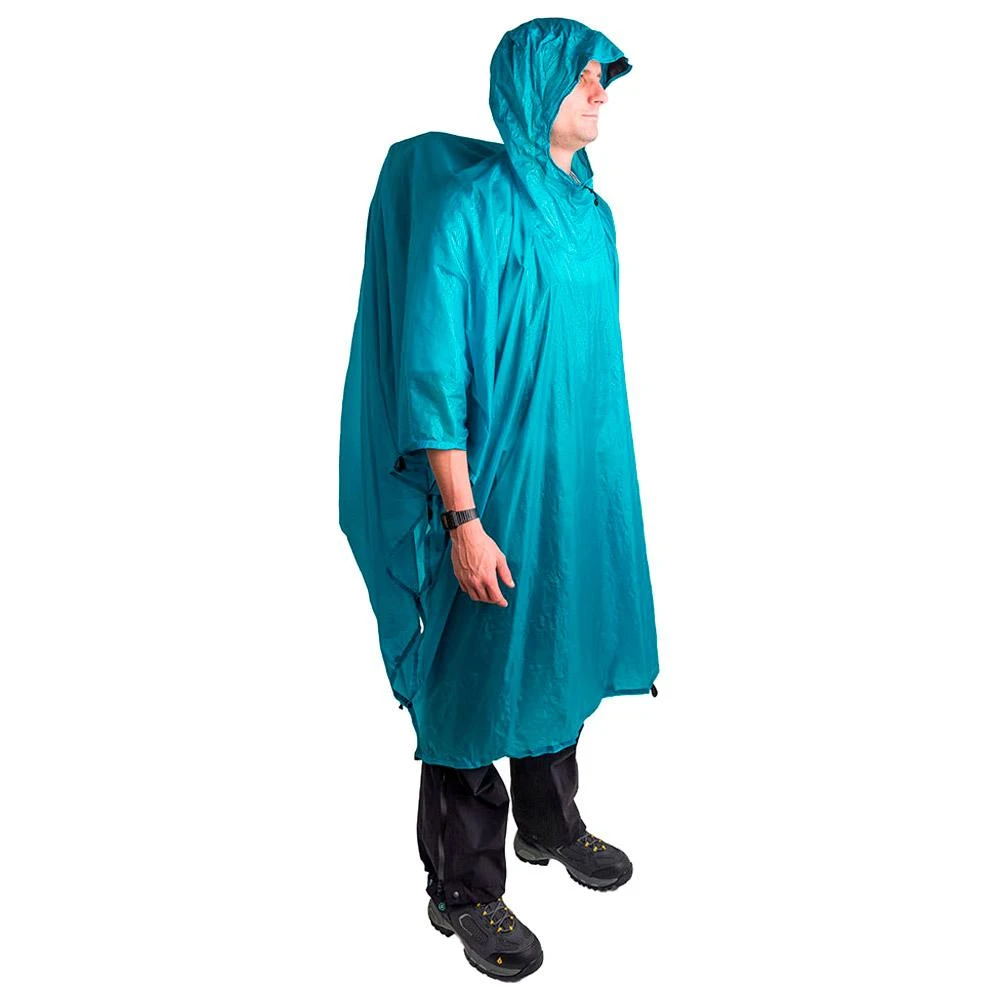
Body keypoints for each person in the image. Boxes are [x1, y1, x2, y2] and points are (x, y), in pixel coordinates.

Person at [339, 17, 660, 980]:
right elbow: (432, 378)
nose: (600, 92)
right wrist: (463, 520)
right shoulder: (467, 213)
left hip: (579, 485)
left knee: (562, 642)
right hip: (491, 491)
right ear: (532, 87)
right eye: (584, 77)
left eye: (603, 78)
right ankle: (463, 887)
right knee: (473, 677)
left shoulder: (594, 216)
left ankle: (549, 822)